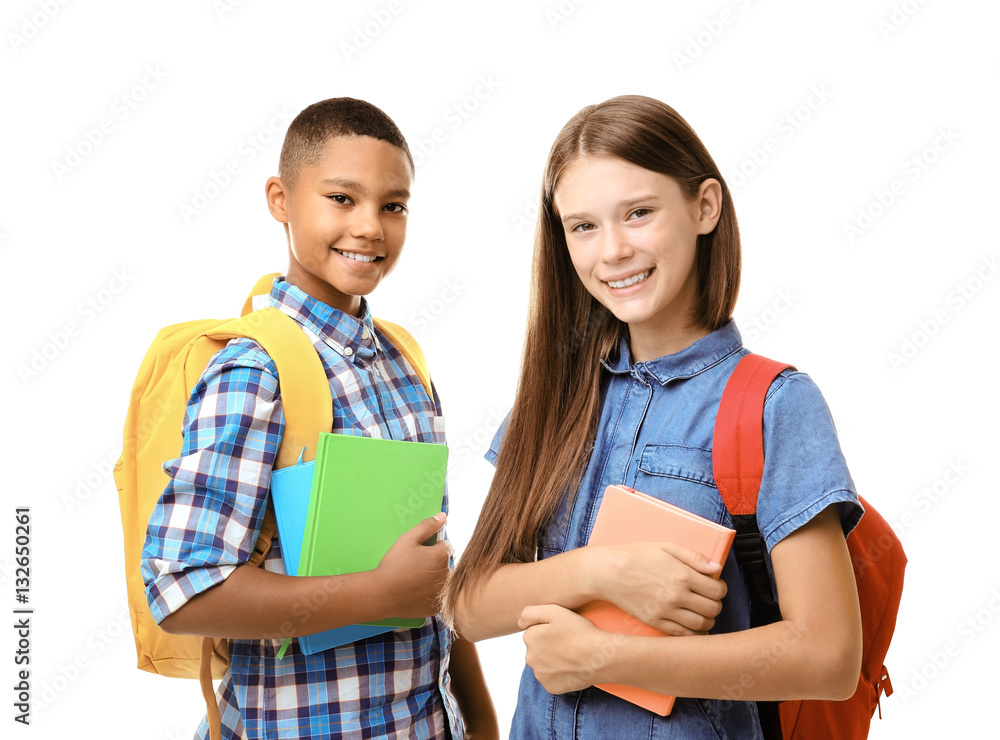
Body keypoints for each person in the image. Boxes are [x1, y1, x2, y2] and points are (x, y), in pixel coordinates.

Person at [444, 95, 863, 738]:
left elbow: (827, 656)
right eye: (582, 226)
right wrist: (603, 573)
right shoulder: (551, 400)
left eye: (638, 213)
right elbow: (469, 605)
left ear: (704, 207)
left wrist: (603, 657)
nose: (611, 250)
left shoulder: (774, 404)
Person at [142, 97, 497, 740]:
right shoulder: (256, 371)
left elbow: (430, 566)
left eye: (394, 205)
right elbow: (180, 587)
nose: (370, 227)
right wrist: (377, 597)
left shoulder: (404, 361)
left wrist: (481, 722)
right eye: (342, 198)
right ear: (281, 198)